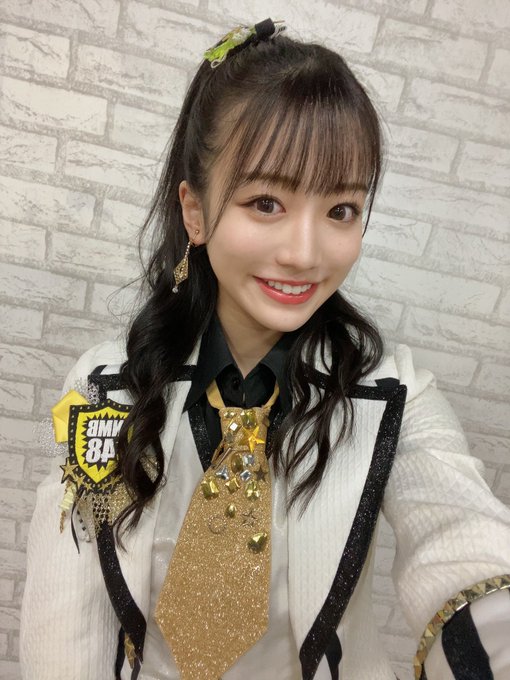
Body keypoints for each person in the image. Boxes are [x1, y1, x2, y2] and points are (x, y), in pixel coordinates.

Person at [19, 18, 510, 680]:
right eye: (266, 202)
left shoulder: (395, 399)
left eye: (341, 210)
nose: (305, 253)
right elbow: (67, 621)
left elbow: (460, 537)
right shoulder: (107, 390)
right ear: (194, 211)